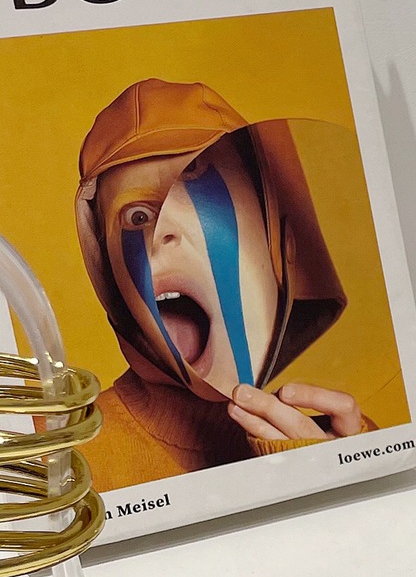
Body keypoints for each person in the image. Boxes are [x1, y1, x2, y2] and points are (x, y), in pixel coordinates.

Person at [74, 78, 372, 491]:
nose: (161, 234)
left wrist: (355, 473)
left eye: (194, 177)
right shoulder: (72, 465)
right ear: (113, 282)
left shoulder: (349, 436)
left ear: (277, 232)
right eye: (136, 217)